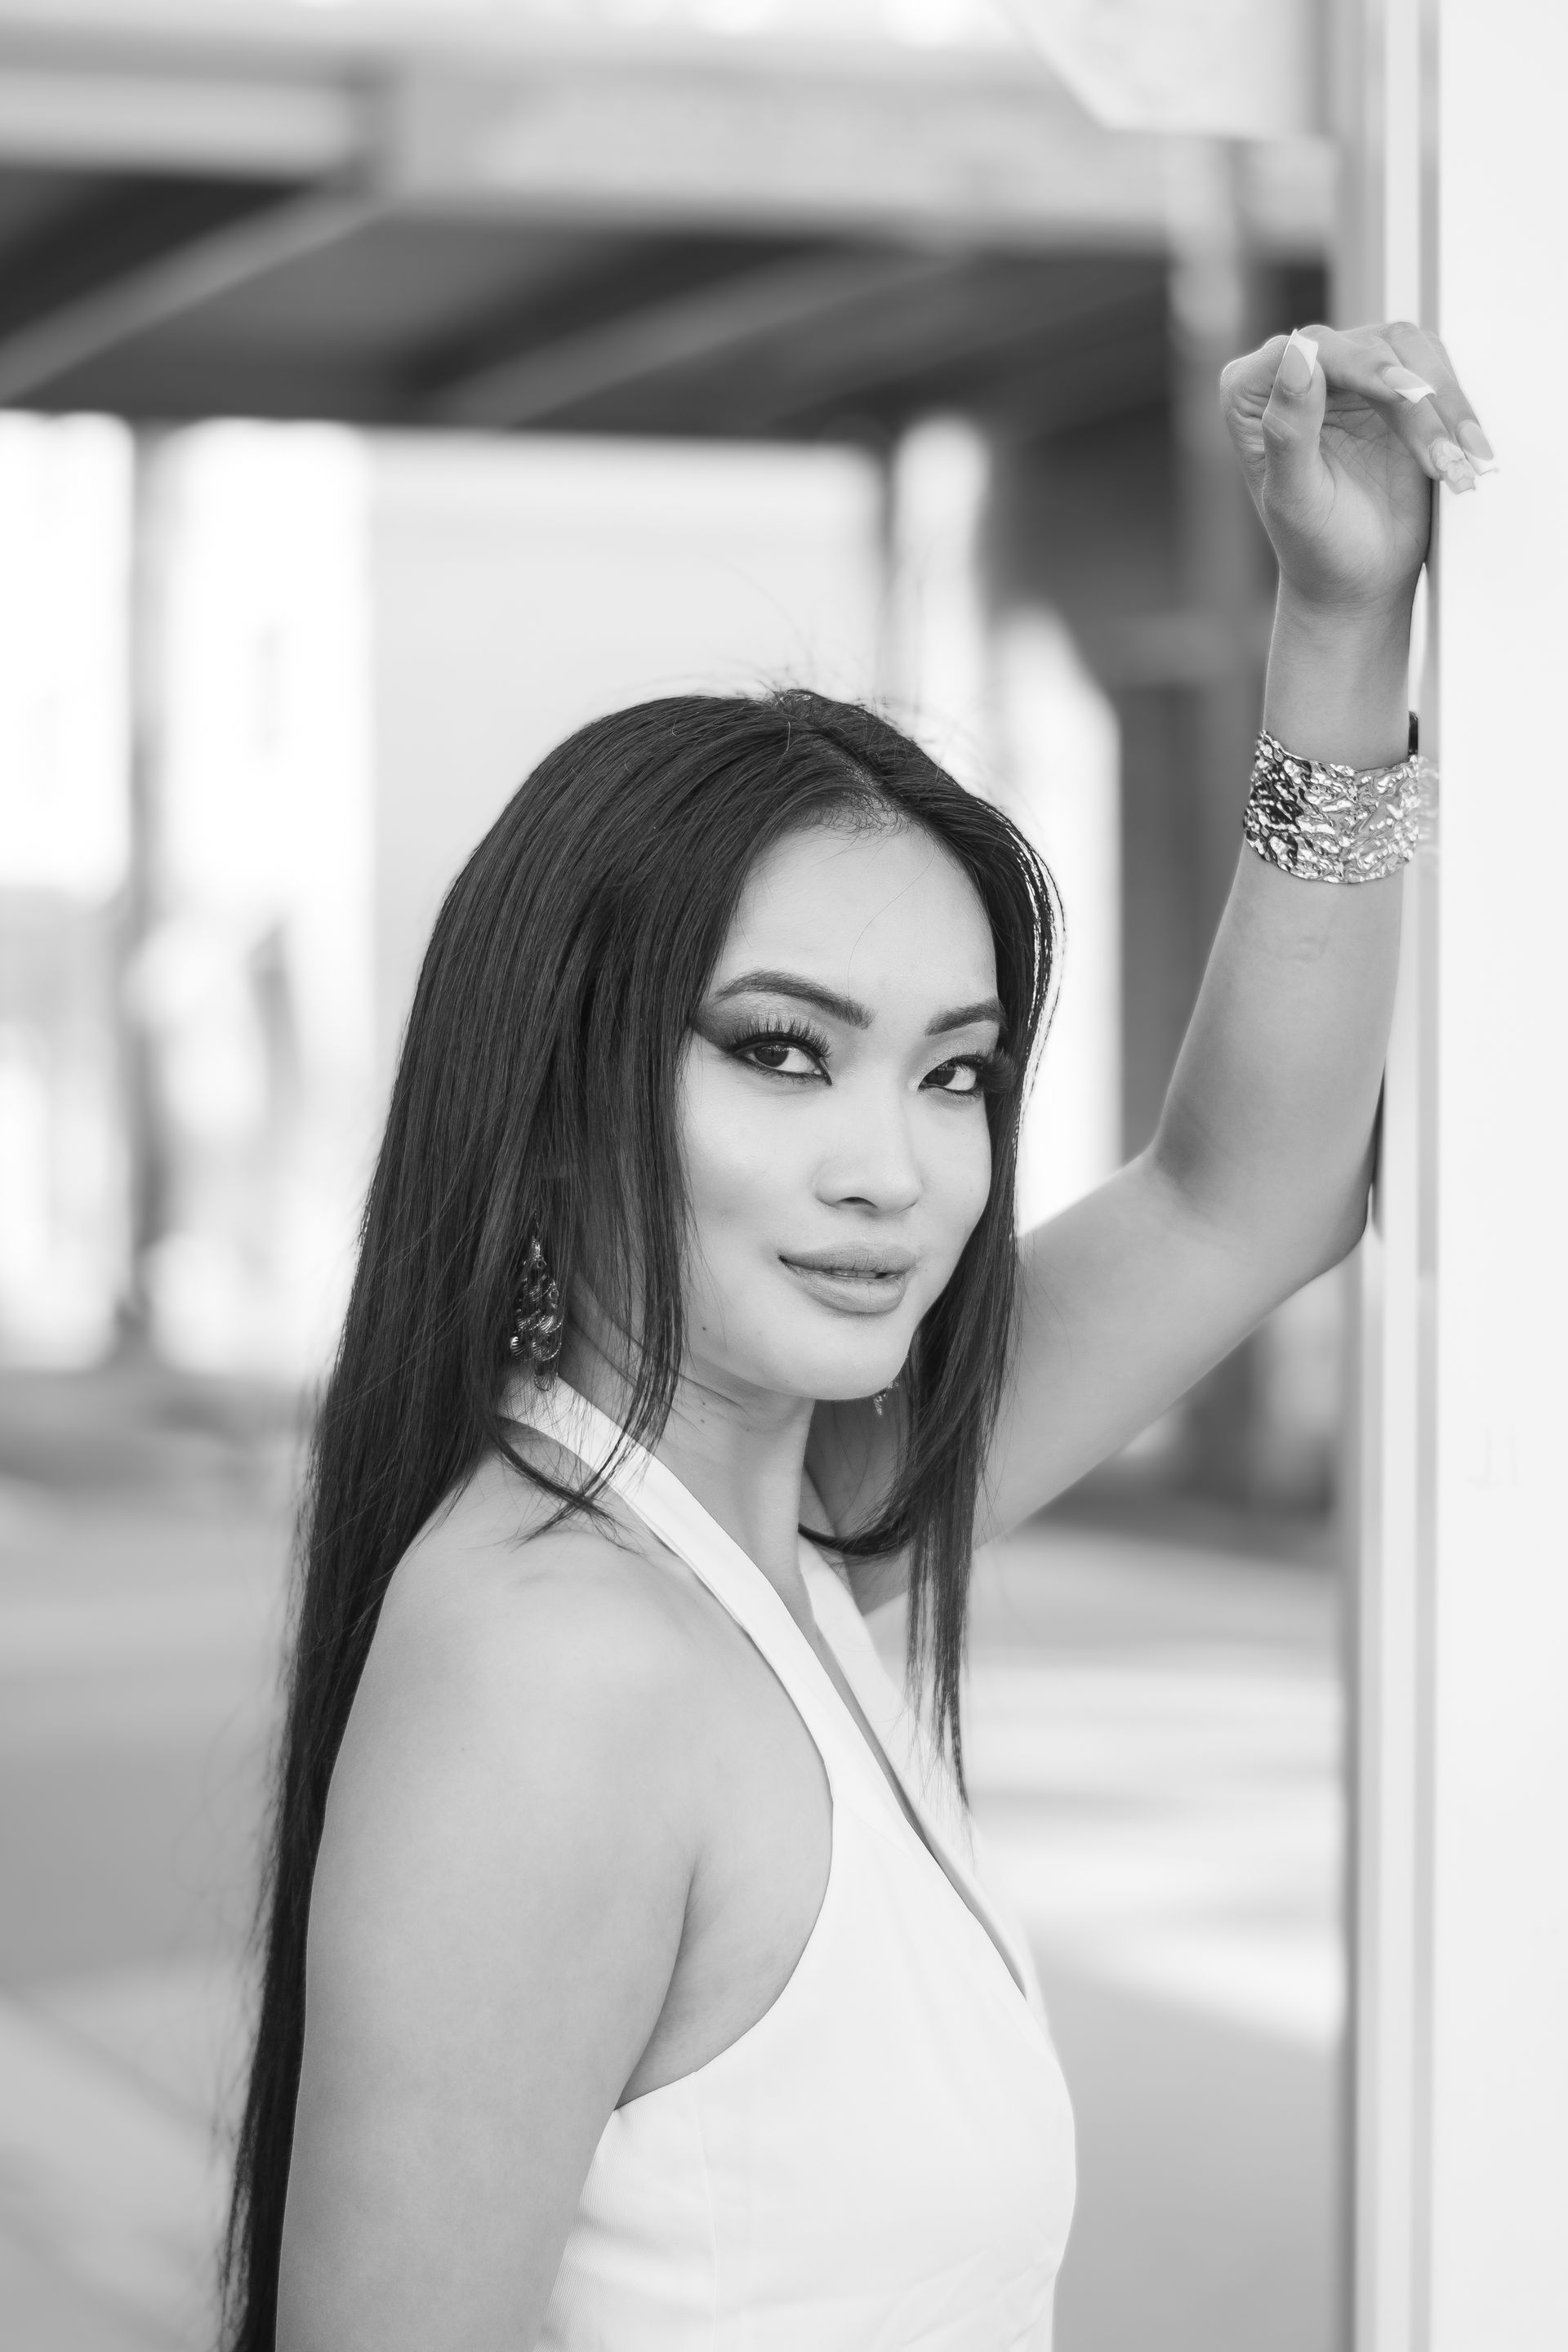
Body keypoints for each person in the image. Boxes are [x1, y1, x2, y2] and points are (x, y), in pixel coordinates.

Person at [224, 322, 1490, 2351]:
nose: (890, 1171)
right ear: (556, 1088)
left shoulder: (806, 1528)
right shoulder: (561, 1666)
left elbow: (1241, 1199)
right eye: (782, 1052)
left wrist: (1339, 621)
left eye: (953, 1073)